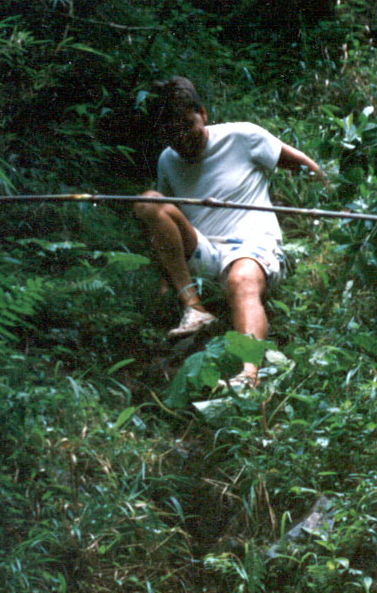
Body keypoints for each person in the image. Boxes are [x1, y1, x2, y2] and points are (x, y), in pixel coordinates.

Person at [133, 76, 323, 387]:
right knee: (148, 202)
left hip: (253, 248)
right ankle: (194, 308)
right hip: (204, 252)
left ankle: (249, 375)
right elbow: (164, 222)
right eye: (170, 132)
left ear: (203, 114)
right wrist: (165, 278)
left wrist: (321, 206)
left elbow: (308, 168)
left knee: (241, 278)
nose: (181, 138)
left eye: (187, 124)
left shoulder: (244, 137)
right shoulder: (167, 160)